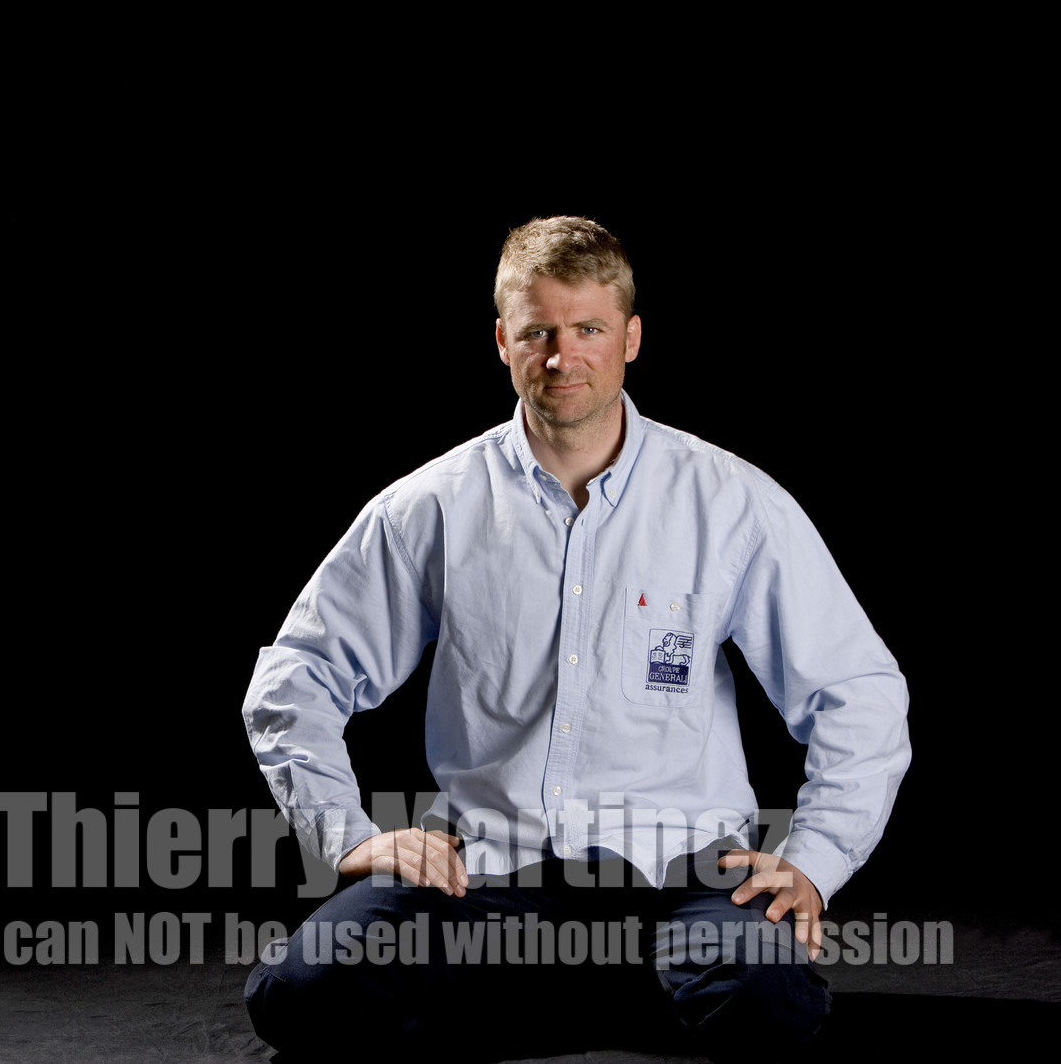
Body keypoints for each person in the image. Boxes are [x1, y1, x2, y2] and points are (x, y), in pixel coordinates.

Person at [240, 216, 910, 1062]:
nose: (563, 357)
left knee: (766, 1000)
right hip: (481, 879)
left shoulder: (731, 502)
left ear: (631, 337)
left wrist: (812, 861)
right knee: (306, 995)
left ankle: (582, 988)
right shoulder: (433, 507)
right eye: (538, 333)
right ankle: (611, 993)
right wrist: (349, 835)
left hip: (686, 877)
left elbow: (859, 692)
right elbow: (296, 677)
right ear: (501, 340)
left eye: (588, 328)